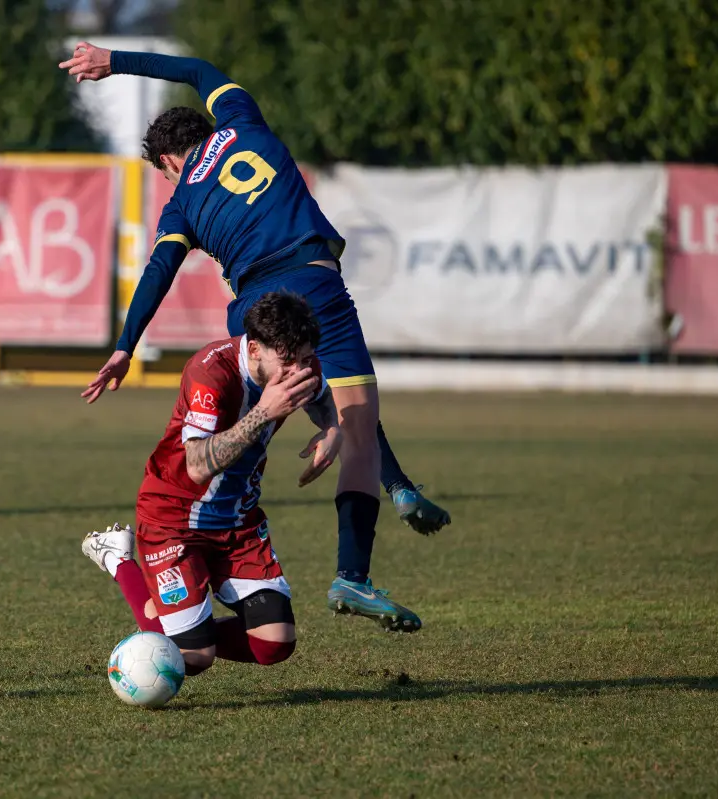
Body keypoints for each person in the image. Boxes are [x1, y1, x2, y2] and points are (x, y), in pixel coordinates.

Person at [61, 43, 448, 630]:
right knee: (356, 420)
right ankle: (356, 565)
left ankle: (377, 475)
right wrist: (112, 60)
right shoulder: (243, 122)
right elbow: (193, 70)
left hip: (254, 314)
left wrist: (125, 345)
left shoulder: (181, 206)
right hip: (313, 286)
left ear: (167, 159)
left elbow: (159, 272)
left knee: (307, 415)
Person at [84, 293, 418, 679]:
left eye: (306, 359)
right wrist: (264, 412)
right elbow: (195, 467)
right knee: (193, 659)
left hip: (237, 523)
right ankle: (118, 559)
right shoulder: (211, 372)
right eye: (289, 362)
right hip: (172, 518)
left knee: (275, 643)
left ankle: (187, 631)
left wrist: (331, 428)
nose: (299, 371)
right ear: (255, 349)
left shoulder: (300, 363)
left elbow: (322, 394)